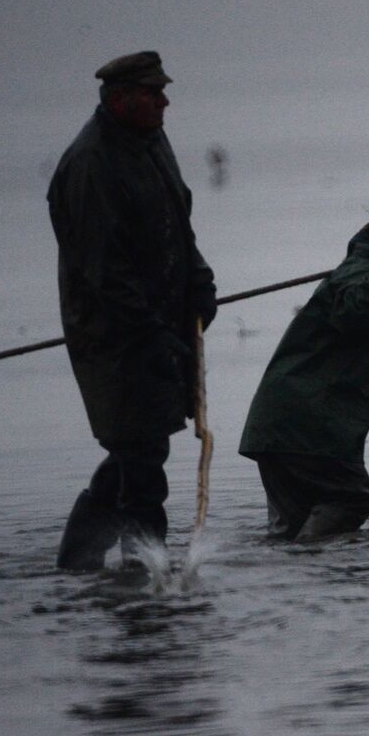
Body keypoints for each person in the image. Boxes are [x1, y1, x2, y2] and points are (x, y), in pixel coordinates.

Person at [48, 51, 217, 570]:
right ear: (120, 100)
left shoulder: (150, 141)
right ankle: (148, 574)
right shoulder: (91, 163)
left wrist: (199, 278)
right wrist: (151, 334)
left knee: (136, 453)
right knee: (142, 458)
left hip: (161, 327)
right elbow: (104, 272)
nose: (165, 101)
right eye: (153, 93)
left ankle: (79, 563)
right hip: (115, 342)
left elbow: (175, 223)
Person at [238, 189, 369, 540]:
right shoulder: (359, 272)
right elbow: (355, 310)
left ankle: (291, 585)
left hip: (286, 427)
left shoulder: (368, 272)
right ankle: (311, 566)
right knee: (352, 497)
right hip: (304, 429)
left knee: (290, 531)